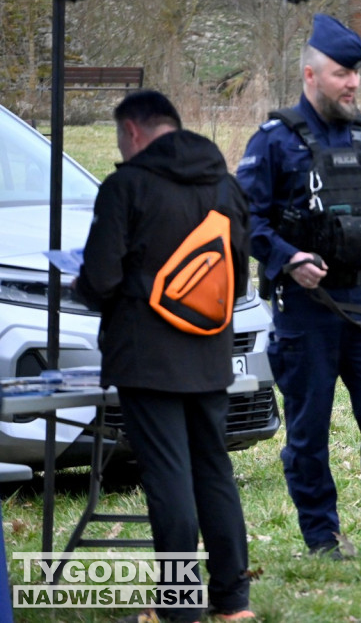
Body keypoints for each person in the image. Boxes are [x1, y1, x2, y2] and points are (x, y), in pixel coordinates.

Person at [236, 13, 361, 561]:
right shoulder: (274, 141)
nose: (353, 84)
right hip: (305, 307)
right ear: (311, 75)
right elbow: (244, 218)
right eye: (343, 74)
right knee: (308, 431)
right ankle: (322, 537)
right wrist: (286, 258)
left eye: (357, 75)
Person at [75, 91, 253, 622]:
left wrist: (90, 285)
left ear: (132, 131)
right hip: (210, 353)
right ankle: (232, 602)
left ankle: (178, 608)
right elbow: (237, 278)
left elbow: (101, 279)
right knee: (213, 472)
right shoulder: (227, 186)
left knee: (169, 479)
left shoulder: (125, 187)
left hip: (146, 357)